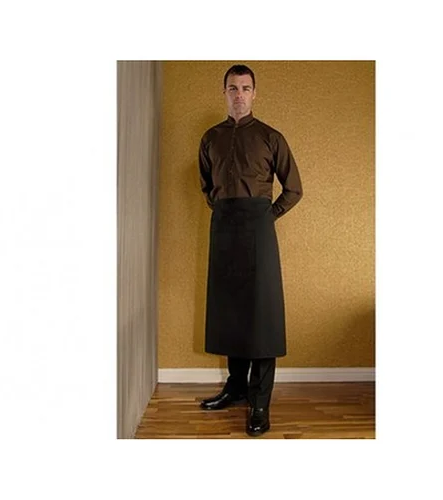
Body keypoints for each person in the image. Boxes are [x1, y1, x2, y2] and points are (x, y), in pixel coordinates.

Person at [198, 64, 303, 437]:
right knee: (230, 311)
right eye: (233, 88)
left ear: (254, 93)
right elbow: (206, 185)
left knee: (262, 315)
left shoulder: (271, 137)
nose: (239, 95)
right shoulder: (210, 138)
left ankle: (260, 402)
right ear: (224, 92)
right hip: (223, 227)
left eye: (245, 88)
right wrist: (225, 211)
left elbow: (294, 188)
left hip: (258, 229)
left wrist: (265, 215)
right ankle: (236, 388)